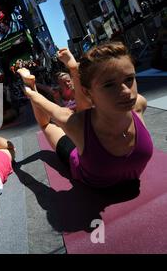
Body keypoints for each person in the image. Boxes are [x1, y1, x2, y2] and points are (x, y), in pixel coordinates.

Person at [18, 42, 154, 188]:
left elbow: (86, 107)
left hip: (87, 124)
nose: (127, 92)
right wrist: (31, 90)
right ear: (87, 92)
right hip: (77, 156)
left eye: (129, 79)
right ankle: (70, 71)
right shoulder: (75, 124)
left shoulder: (139, 104)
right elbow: (41, 102)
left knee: (86, 116)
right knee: (46, 125)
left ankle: (74, 69)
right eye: (109, 85)